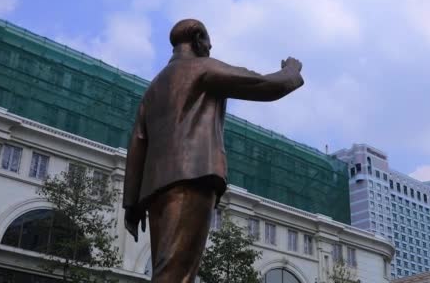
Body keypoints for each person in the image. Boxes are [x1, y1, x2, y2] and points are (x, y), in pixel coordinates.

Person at [122, 19, 304, 282]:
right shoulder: (201, 69)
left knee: (166, 267)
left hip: (155, 190)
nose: (211, 45)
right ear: (197, 39)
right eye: (207, 40)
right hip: (192, 177)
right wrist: (291, 72)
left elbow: (138, 142)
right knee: (177, 273)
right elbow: (260, 84)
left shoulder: (153, 88)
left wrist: (132, 204)